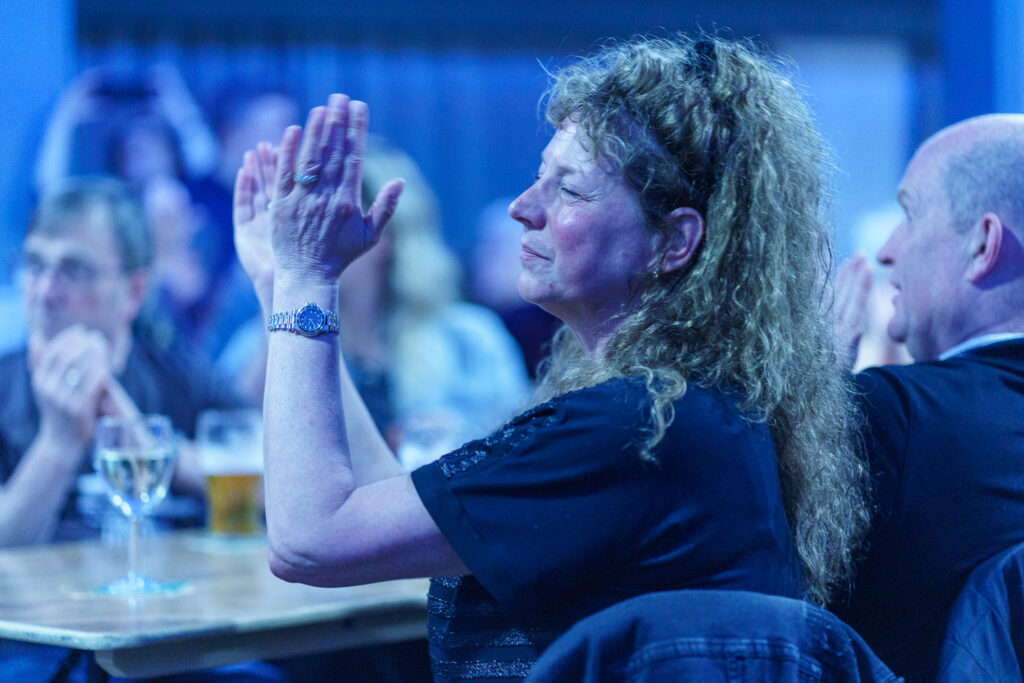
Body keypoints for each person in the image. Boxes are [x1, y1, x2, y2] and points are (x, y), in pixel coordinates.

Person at [234, 34, 869, 681]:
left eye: (568, 190)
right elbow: (369, 503)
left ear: (674, 240)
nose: (522, 208)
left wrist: (308, 282)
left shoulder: (636, 430)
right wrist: (280, 286)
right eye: (540, 179)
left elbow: (309, 540)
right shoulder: (687, 412)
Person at [831, 114, 1024, 682]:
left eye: (909, 214)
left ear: (983, 245)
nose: (889, 250)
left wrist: (806, 400)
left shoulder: (896, 418)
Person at [0, 176, 246, 547]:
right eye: (35, 265)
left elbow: (273, 496)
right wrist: (59, 443)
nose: (46, 292)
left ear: (133, 291)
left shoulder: (180, 376)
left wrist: (152, 447)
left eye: (74, 271)